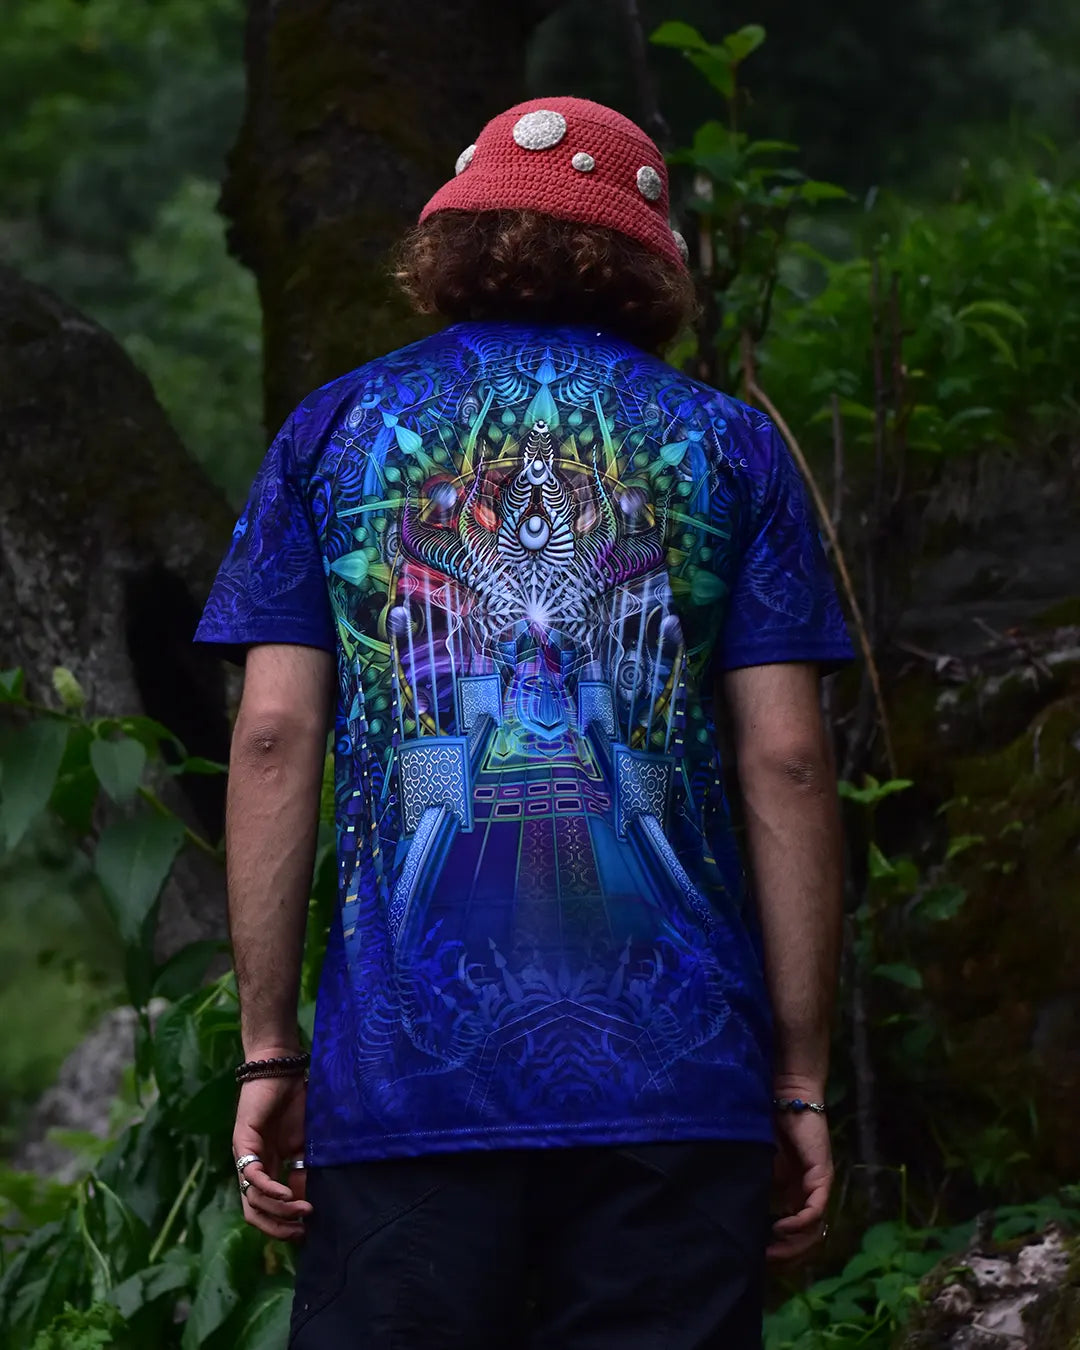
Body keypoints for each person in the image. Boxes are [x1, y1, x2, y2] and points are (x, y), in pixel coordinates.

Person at [196, 95, 852, 1349]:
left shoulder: (334, 431)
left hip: (407, 1079)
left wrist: (271, 1050)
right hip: (677, 1081)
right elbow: (788, 757)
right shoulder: (730, 445)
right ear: (647, 256)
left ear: (455, 234)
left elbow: (273, 738)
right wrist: (801, 1076)